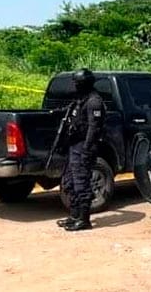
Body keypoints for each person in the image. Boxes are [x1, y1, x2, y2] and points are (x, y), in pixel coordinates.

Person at [56, 69, 106, 231]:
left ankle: (84, 219)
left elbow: (94, 127)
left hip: (84, 146)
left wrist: (86, 149)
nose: (75, 85)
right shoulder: (80, 99)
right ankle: (74, 215)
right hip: (74, 145)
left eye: (78, 83)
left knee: (81, 182)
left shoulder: (94, 101)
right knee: (69, 181)